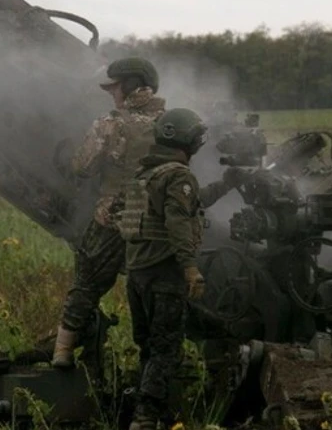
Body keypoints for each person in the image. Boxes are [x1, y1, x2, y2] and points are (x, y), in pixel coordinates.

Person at [52, 57, 165, 368]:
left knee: (87, 280)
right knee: (153, 292)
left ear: (129, 86)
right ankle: (155, 364)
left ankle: (62, 351)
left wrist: (68, 160)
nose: (111, 94)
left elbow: (83, 166)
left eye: (114, 87)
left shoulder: (110, 124)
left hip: (113, 218)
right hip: (158, 223)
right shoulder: (171, 123)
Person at [121, 108, 211, 430]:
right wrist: (189, 267)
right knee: (166, 349)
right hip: (165, 275)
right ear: (186, 139)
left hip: (137, 275)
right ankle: (146, 418)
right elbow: (177, 221)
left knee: (148, 346)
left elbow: (134, 227)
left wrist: (226, 185)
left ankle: (148, 413)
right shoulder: (179, 175)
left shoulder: (143, 175)